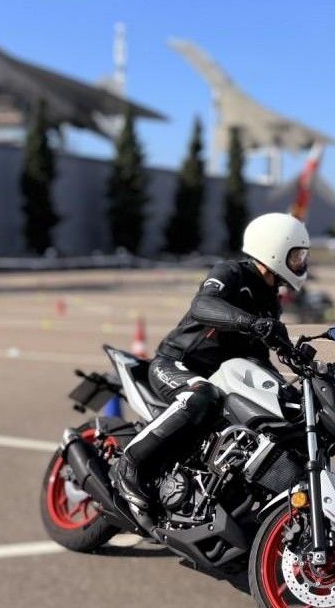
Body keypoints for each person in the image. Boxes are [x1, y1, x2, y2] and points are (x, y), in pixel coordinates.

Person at [111, 212, 311, 509]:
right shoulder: (230, 272)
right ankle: (129, 465)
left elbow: (257, 356)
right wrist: (251, 322)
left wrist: (286, 387)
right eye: (296, 255)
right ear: (274, 248)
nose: (301, 263)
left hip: (220, 378)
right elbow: (203, 305)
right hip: (177, 364)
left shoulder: (270, 299)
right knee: (201, 396)